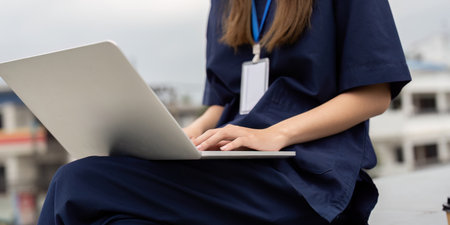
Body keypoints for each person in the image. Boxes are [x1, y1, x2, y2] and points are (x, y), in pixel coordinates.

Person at [37, 0, 411, 224]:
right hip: (235, 166)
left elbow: (373, 94)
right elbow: (221, 102)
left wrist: (274, 134)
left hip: (307, 176)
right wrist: (179, 137)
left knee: (75, 181)